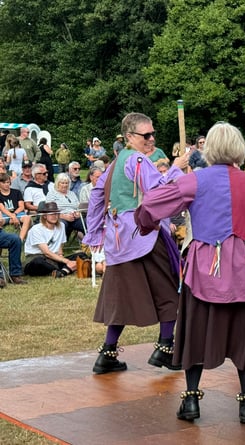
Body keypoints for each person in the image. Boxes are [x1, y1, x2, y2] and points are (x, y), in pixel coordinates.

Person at [135, 121, 245, 423]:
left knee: (195, 333)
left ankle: (191, 401)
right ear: (239, 149)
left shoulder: (195, 181)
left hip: (205, 271)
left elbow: (150, 204)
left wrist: (146, 224)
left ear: (210, 148)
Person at [83, 112, 190, 375]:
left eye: (153, 133)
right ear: (130, 137)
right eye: (146, 135)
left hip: (119, 240)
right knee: (169, 289)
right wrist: (177, 167)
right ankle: (166, 348)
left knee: (120, 297)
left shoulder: (117, 161)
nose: (152, 139)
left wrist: (96, 231)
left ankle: (107, 355)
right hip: (145, 235)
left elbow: (98, 194)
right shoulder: (138, 158)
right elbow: (159, 191)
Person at [23, 201, 80, 278]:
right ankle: (67, 269)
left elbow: (59, 247)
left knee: (82, 255)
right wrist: (67, 261)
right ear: (45, 216)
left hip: (54, 258)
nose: (54, 216)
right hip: (37, 257)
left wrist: (61, 257)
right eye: (51, 214)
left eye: (56, 213)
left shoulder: (61, 226)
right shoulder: (36, 229)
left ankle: (62, 271)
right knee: (38, 262)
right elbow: (46, 253)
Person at [45, 173, 86, 240]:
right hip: (59, 217)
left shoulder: (72, 193)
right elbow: (50, 211)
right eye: (62, 183)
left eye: (66, 183)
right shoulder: (51, 194)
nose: (65, 185)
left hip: (74, 217)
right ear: (57, 183)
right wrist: (64, 216)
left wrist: (78, 213)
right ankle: (58, 246)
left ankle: (91, 244)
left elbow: (78, 207)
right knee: (62, 225)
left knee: (88, 222)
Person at [0, 172, 31, 241]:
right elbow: (2, 209)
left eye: (8, 182)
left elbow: (21, 206)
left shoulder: (16, 192)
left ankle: (20, 240)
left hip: (18, 213)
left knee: (27, 218)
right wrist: (12, 216)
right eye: (4, 183)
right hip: (5, 215)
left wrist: (14, 215)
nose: (6, 184)